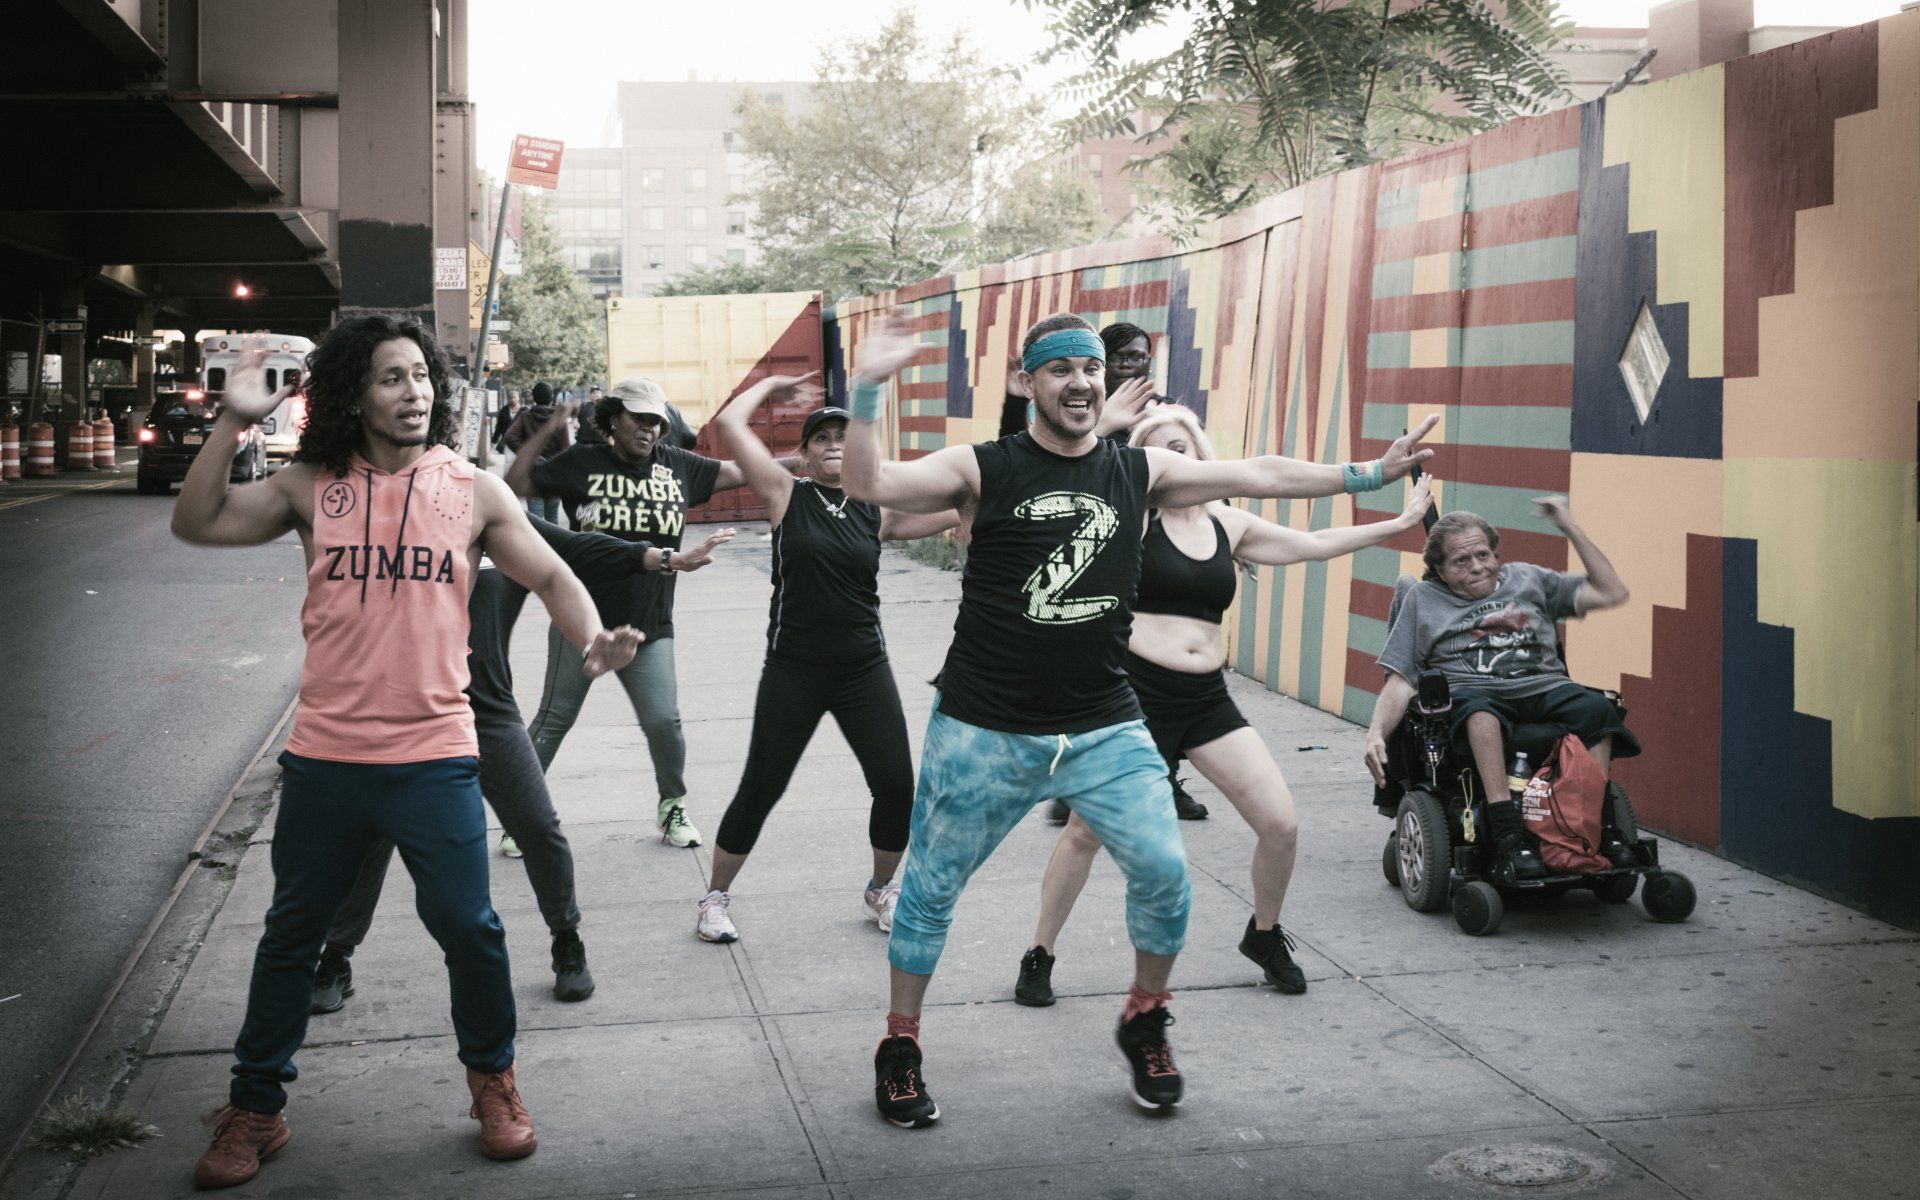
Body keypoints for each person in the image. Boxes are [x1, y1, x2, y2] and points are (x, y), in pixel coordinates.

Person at [843, 311, 1434, 1127]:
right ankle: (900, 1043)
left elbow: (1258, 474)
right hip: (985, 724)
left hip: (1103, 723)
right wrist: (869, 387)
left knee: (1163, 872)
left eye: (1091, 367)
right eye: (1060, 369)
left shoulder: (1140, 471)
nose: (1081, 382)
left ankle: (1145, 1019)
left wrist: (1369, 472)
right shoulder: (984, 468)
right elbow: (870, 485)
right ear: (1028, 382)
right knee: (931, 892)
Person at [170, 319, 641, 1188]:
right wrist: (231, 423)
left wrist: (592, 641)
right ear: (355, 393)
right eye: (392, 378)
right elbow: (196, 522)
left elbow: (552, 577)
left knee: (469, 927)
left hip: (434, 756)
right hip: (327, 760)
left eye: (422, 376)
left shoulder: (472, 489)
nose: (414, 392)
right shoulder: (310, 486)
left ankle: (493, 1082)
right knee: (291, 938)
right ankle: (257, 1107)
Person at [1014, 405, 1433, 1007]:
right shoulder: (1127, 519)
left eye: (1182, 445)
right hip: (1134, 695)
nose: (1173, 458)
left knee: (1280, 824)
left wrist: (1397, 524)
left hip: (1206, 699)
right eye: (1159, 449)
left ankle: (1263, 936)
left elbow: (1312, 544)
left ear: (1202, 453)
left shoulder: (1226, 524)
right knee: (1085, 831)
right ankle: (1040, 952)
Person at [308, 515, 734, 1011]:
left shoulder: (483, 504)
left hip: (486, 709)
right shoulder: (385, 512)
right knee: (372, 836)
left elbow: (577, 550)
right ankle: (336, 955)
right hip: (400, 710)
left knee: (537, 826)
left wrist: (664, 561)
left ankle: (566, 941)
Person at [696, 373, 957, 944]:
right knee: (761, 786)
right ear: (806, 454)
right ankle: (714, 898)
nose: (835, 443)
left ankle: (882, 889)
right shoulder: (785, 493)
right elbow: (729, 425)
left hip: (864, 668)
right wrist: (769, 384)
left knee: (895, 785)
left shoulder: (878, 509)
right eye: (822, 438)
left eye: (844, 435)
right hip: (795, 668)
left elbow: (961, 505)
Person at [504, 377, 767, 849]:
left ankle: (672, 806)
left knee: (664, 721)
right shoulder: (582, 462)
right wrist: (546, 431)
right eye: (639, 419)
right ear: (613, 419)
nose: (648, 430)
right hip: (579, 620)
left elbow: (742, 470)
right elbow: (516, 483)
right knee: (554, 718)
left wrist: (807, 461)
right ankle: (520, 816)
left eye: (657, 422)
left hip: (649, 624)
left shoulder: (678, 466)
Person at [1363, 503, 1635, 883]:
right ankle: (1508, 831)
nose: (1476, 566)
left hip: (1544, 686)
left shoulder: (1528, 579)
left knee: (1597, 710)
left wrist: (1571, 526)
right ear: (1439, 570)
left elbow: (1612, 591)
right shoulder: (1424, 599)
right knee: (1480, 715)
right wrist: (1376, 732)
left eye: (1483, 555)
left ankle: (1598, 827)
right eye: (1460, 561)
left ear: (1496, 554)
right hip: (1476, 693)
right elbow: (1401, 679)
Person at [503, 381, 571, 523]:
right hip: (554, 475)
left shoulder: (526, 416)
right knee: (553, 517)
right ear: (552, 397)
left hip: (532, 473)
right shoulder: (559, 420)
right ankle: (555, 546)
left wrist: (528, 455)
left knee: (536, 519)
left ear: (533, 397)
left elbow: (510, 436)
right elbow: (566, 450)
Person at [492, 389, 522, 459]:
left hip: (519, 442)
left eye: (514, 397)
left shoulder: (523, 410)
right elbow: (499, 426)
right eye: (510, 397)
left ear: (518, 398)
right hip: (506, 442)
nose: (512, 399)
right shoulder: (504, 410)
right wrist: (494, 440)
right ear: (508, 399)